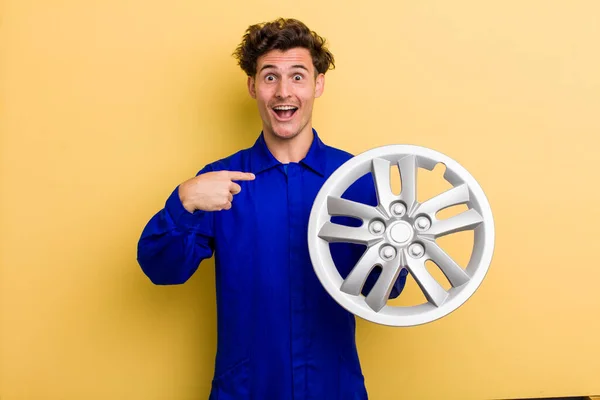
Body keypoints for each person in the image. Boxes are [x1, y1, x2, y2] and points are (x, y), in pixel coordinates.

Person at [137, 18, 407, 400]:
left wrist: (396, 247)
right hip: (245, 390)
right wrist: (184, 202)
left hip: (334, 387)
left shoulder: (358, 180)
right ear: (252, 86)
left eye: (298, 76)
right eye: (269, 77)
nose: (284, 92)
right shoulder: (220, 182)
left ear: (318, 84)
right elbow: (161, 269)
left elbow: (387, 289)